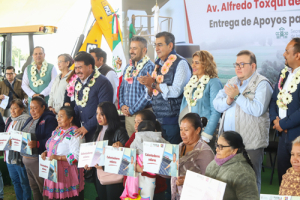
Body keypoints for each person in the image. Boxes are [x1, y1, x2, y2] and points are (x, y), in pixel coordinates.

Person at [213, 50, 273, 193]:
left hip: (250, 142)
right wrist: (229, 100)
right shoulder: (232, 81)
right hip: (227, 143)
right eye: (236, 64)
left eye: (242, 64)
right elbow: (216, 103)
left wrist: (237, 95)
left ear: (253, 66)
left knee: (250, 181)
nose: (238, 67)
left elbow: (258, 109)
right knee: (226, 178)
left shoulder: (262, 83)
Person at [138, 31, 192, 145]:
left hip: (173, 120)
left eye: (160, 44)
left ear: (170, 45)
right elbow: (152, 93)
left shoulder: (180, 63)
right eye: (155, 45)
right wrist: (149, 87)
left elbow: (176, 91)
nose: (156, 48)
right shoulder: (158, 64)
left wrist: (153, 84)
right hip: (157, 120)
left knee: (171, 156)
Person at [114, 110, 167, 199]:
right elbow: (128, 154)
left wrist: (142, 169)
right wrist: (119, 148)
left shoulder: (158, 140)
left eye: (139, 122)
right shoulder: (135, 136)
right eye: (135, 122)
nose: (135, 125)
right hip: (134, 185)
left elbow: (164, 166)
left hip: (154, 189)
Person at [269, 38, 300, 185]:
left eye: (287, 51)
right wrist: (275, 121)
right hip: (282, 137)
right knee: (285, 179)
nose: (284, 54)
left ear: (297, 55)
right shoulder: (284, 74)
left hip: (297, 137)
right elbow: (274, 100)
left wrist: (284, 124)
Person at [85, 101, 129, 200]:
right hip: (99, 174)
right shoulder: (98, 131)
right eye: (97, 114)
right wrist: (89, 163)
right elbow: (94, 153)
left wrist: (121, 146)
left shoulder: (120, 131)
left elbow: (127, 157)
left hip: (114, 177)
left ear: (110, 114)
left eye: (102, 114)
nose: (98, 117)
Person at [41, 106, 84, 200]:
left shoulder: (75, 133)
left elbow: (76, 157)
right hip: (53, 171)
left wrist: (58, 157)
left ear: (70, 118)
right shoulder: (57, 131)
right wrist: (45, 152)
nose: (58, 119)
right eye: (58, 116)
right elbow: (52, 147)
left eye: (61, 116)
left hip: (66, 175)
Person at [180, 51, 222, 144]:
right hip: (191, 132)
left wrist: (206, 135)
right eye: (193, 62)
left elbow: (216, 112)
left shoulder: (214, 82)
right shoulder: (192, 82)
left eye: (197, 63)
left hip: (205, 132)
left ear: (206, 64)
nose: (193, 65)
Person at [21, 96, 58, 200]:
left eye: (35, 108)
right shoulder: (29, 119)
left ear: (43, 107)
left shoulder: (49, 119)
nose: (32, 111)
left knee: (44, 189)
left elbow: (52, 140)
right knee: (34, 188)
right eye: (30, 108)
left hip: (39, 159)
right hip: (27, 159)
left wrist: (37, 144)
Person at [205, 131, 259, 200]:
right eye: (217, 145)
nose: (217, 149)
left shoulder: (243, 172)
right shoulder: (213, 164)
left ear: (234, 150)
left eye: (221, 147)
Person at [171, 113, 214, 200]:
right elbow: (171, 173)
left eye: (186, 130)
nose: (182, 133)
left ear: (197, 130)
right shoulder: (179, 147)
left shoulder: (204, 151)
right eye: (181, 129)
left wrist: (188, 180)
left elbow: (211, 182)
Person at [73, 52, 113, 142]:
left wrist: (86, 127)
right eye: (76, 68)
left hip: (98, 131)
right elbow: (77, 106)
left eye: (80, 67)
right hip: (81, 131)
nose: (77, 71)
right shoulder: (78, 82)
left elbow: (104, 110)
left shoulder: (102, 83)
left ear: (90, 67)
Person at [119, 36, 155, 137]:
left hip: (143, 115)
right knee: (132, 146)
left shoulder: (149, 67)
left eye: (135, 48)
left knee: (143, 146)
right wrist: (122, 105)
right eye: (130, 48)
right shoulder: (128, 67)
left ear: (144, 50)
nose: (131, 51)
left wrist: (132, 110)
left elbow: (147, 94)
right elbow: (122, 87)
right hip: (128, 115)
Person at [4, 99, 31, 200]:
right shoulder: (8, 120)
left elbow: (27, 138)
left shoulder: (27, 120)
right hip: (9, 157)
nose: (13, 111)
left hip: (21, 157)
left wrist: (17, 143)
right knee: (15, 182)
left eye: (15, 108)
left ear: (22, 109)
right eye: (11, 108)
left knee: (24, 183)